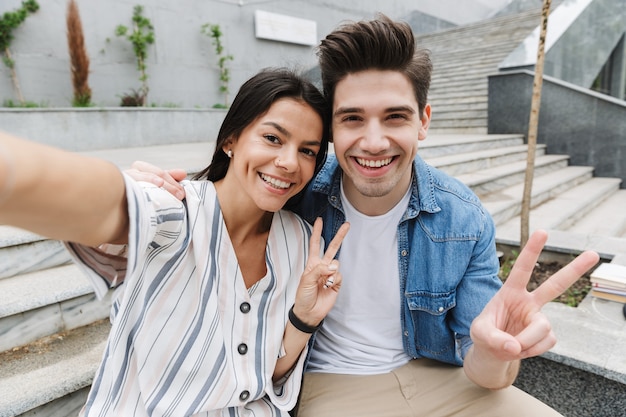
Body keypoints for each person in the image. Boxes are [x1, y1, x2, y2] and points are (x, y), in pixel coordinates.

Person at [126, 15, 600, 417]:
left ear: (424, 121)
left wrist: (497, 352)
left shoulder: (461, 216)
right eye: (352, 118)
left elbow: (485, 367)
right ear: (331, 125)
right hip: (332, 385)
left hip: (443, 379)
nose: (373, 142)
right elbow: (227, 193)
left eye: (395, 117)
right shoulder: (297, 188)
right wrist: (171, 191)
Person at [0, 68, 350, 417]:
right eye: (273, 138)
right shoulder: (176, 207)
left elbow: (264, 377)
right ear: (230, 140)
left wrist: (303, 319)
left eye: (307, 151)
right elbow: (99, 208)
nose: (289, 162)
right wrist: (123, 188)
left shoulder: (303, 242)